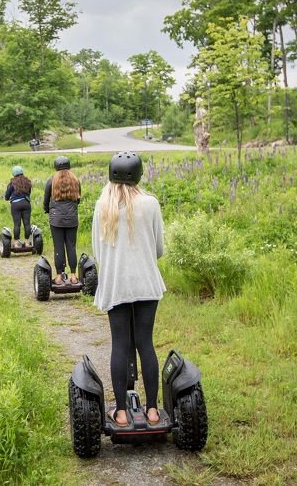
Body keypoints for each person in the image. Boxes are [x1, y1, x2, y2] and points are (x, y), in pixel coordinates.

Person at [91, 151, 166, 428]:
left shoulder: (102, 206)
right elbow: (158, 248)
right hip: (146, 283)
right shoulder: (151, 204)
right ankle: (153, 411)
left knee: (120, 345)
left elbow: (98, 252)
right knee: (145, 343)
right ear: (139, 175)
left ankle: (121, 413)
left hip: (116, 285)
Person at [43, 156, 81, 285]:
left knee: (58, 246)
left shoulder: (51, 181)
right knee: (71, 246)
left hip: (56, 219)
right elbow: (78, 200)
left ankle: (58, 277)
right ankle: (73, 276)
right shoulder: (75, 180)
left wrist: (47, 210)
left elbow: (46, 199)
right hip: (72, 218)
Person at [4, 165, 33, 247]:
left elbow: (7, 195)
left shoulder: (12, 183)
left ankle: (16, 243)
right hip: (26, 203)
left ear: (13, 173)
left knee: (17, 224)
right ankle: (27, 242)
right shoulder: (27, 182)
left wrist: (7, 198)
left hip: (15, 205)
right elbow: (29, 193)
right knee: (27, 223)